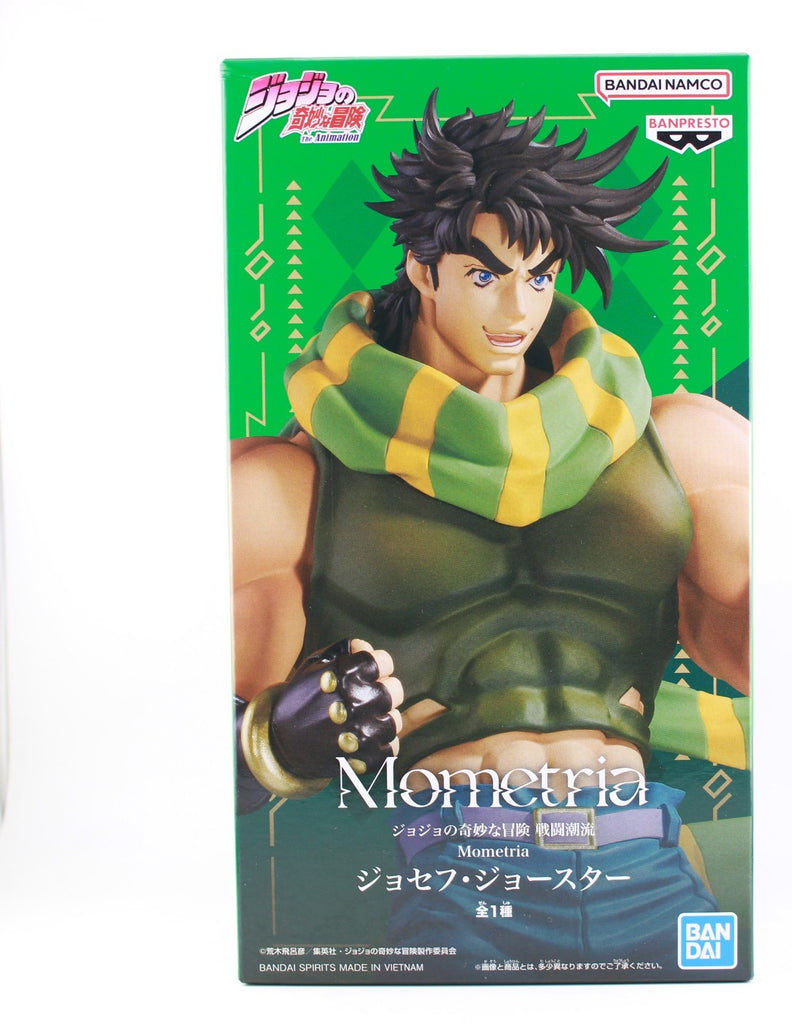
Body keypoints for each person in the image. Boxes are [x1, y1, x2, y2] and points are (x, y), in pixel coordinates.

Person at [231, 93, 749, 960]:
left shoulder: (679, 447)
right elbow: (170, 760)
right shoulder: (291, 484)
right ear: (421, 267)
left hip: (645, 859)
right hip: (463, 875)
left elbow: (784, 663)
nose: (517, 309)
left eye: (538, 277)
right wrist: (272, 742)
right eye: (484, 275)